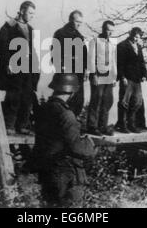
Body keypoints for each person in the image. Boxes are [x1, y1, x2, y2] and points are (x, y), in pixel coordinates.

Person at [34, 73, 96, 207]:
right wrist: (89, 144)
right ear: (72, 93)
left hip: (46, 170)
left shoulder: (43, 109)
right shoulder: (66, 114)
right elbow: (76, 148)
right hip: (65, 173)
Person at [0, 1, 40, 135]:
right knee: (13, 97)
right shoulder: (8, 27)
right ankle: (9, 125)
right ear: (21, 11)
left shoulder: (31, 29)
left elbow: (33, 50)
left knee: (27, 97)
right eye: (30, 13)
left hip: (28, 68)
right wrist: (8, 62)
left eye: (34, 13)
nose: (32, 16)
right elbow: (1, 48)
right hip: (14, 67)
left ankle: (22, 125)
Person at [52, 10, 88, 117]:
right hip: (66, 72)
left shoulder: (79, 36)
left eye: (80, 23)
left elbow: (84, 54)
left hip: (79, 72)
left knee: (78, 99)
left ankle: (73, 124)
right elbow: (55, 52)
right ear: (70, 20)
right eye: (77, 21)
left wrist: (85, 69)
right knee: (62, 99)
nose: (79, 24)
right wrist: (61, 66)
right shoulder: (60, 33)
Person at [86, 21, 117, 136]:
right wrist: (93, 74)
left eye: (112, 31)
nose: (110, 33)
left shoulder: (112, 43)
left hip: (109, 76)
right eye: (108, 30)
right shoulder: (95, 41)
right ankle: (92, 126)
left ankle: (103, 126)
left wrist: (114, 76)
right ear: (103, 29)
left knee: (107, 100)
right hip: (98, 74)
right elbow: (91, 59)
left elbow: (113, 61)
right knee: (96, 99)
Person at [115, 27, 147, 133]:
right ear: (130, 34)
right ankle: (122, 124)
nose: (136, 39)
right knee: (124, 102)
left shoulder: (138, 46)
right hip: (127, 78)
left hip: (137, 78)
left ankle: (131, 124)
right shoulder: (122, 46)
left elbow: (142, 62)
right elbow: (119, 63)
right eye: (134, 36)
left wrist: (144, 74)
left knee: (137, 102)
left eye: (138, 37)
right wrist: (122, 77)